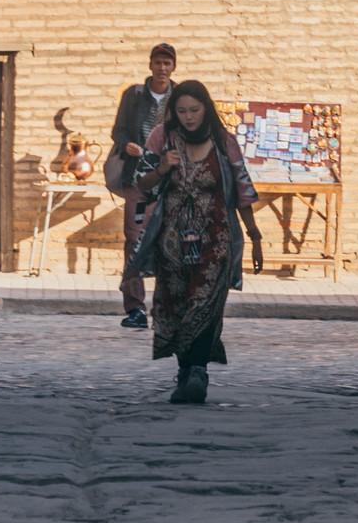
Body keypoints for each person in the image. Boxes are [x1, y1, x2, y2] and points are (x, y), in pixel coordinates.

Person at [130, 79, 264, 404]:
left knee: (204, 305)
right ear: (174, 112)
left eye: (194, 110)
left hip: (215, 240)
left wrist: (254, 234)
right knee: (176, 307)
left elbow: (242, 189)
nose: (189, 117)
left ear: (206, 109)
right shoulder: (162, 138)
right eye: (182, 111)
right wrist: (162, 167)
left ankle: (198, 371)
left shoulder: (223, 141)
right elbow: (141, 184)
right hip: (171, 241)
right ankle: (185, 371)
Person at [109, 43, 176, 329]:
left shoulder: (180, 97)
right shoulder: (134, 96)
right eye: (157, 62)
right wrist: (128, 145)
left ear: (173, 67)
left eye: (167, 63)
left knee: (171, 243)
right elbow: (118, 130)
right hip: (138, 180)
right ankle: (135, 308)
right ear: (150, 65)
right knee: (135, 240)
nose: (162, 68)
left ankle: (167, 308)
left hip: (170, 181)